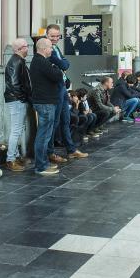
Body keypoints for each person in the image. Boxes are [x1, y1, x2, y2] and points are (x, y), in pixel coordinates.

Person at [46, 24, 88, 161]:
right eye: (52, 36)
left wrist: (62, 63)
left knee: (66, 119)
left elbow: (65, 62)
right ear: (47, 35)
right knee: (55, 122)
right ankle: (50, 152)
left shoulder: (56, 47)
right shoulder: (46, 49)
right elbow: (64, 65)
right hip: (55, 89)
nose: (55, 39)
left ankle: (71, 149)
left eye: (57, 36)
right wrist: (62, 63)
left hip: (63, 87)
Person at [30, 38, 63, 175]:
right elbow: (57, 76)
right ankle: (41, 167)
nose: (52, 50)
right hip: (45, 103)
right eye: (50, 47)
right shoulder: (41, 62)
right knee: (43, 136)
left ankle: (42, 163)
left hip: (45, 102)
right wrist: (56, 68)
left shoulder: (40, 61)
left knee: (45, 134)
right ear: (43, 48)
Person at [3, 37, 32, 171]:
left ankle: (16, 155)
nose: (28, 48)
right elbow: (14, 84)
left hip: (16, 99)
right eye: (26, 46)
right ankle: (10, 159)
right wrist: (22, 98)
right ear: (20, 49)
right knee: (15, 130)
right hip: (16, 100)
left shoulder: (18, 60)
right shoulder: (16, 61)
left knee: (18, 129)